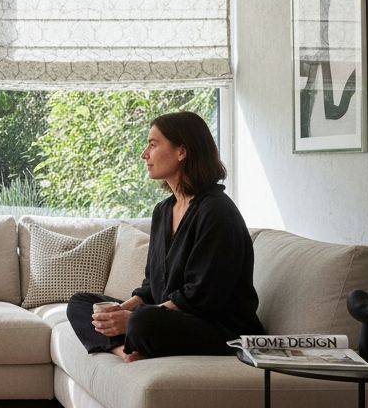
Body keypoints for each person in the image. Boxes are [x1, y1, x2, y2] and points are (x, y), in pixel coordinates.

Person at [67, 111, 263, 362]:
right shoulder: (163, 211)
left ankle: (128, 339)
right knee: (81, 303)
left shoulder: (216, 211)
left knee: (141, 321)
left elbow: (200, 296)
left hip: (217, 327)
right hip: (166, 316)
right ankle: (123, 349)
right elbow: (152, 286)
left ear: (181, 151)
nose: (144, 154)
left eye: (153, 144)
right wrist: (120, 311)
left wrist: (133, 318)